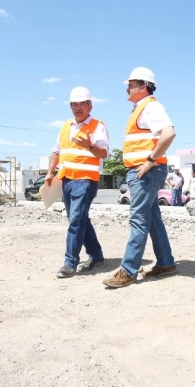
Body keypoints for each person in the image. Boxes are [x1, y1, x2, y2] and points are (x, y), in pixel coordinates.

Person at [103, 67, 176, 288]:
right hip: (145, 171)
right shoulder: (141, 108)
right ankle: (166, 263)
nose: (127, 88)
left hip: (146, 172)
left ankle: (128, 270)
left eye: (131, 85)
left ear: (143, 86)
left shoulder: (150, 107)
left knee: (138, 219)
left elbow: (169, 133)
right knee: (151, 217)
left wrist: (150, 160)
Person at [46, 87, 109, 279]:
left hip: (85, 181)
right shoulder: (66, 126)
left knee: (76, 220)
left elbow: (104, 153)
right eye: (74, 104)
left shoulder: (97, 126)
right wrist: (50, 172)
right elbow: (56, 151)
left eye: (82, 104)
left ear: (90, 106)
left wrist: (89, 145)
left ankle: (69, 263)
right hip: (66, 179)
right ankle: (96, 255)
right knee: (80, 219)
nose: (78, 108)